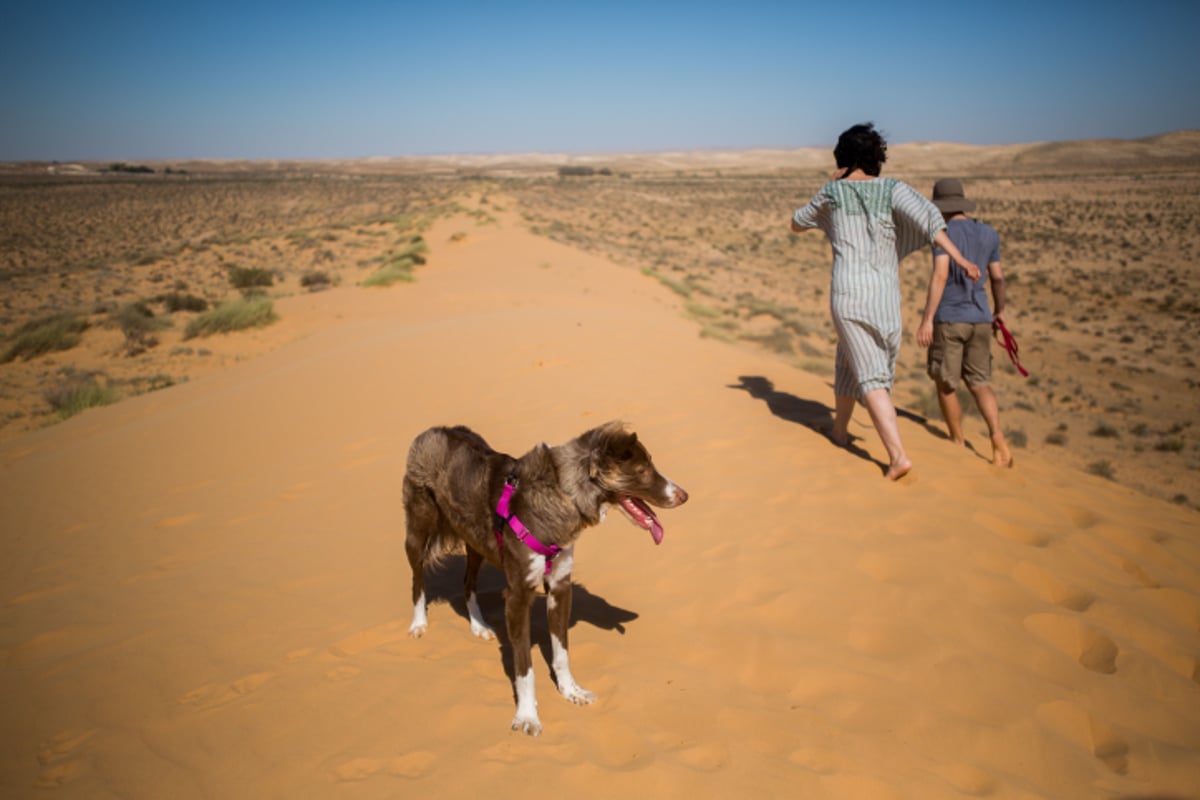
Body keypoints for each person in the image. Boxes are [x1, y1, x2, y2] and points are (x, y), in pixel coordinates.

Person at [790, 123, 980, 480]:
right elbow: (931, 222)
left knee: (872, 378)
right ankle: (839, 431)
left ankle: (897, 456)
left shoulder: (832, 193)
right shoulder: (894, 189)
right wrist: (960, 258)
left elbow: (796, 223)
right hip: (885, 299)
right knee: (850, 361)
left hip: (849, 297)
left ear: (843, 159)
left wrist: (832, 187)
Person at [917, 178, 1013, 467]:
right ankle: (996, 437)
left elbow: (941, 275)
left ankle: (957, 441)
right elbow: (997, 277)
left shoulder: (942, 233)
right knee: (980, 383)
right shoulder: (988, 232)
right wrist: (1000, 310)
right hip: (981, 316)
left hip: (949, 317)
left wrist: (927, 318)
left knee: (946, 383)